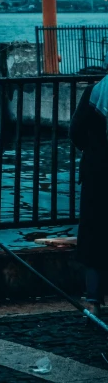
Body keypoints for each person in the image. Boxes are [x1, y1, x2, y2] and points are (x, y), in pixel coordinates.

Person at [70, 73, 108, 317]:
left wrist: (94, 150)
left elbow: (75, 131)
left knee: (95, 235)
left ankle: (93, 302)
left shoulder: (95, 93)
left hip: (98, 174)